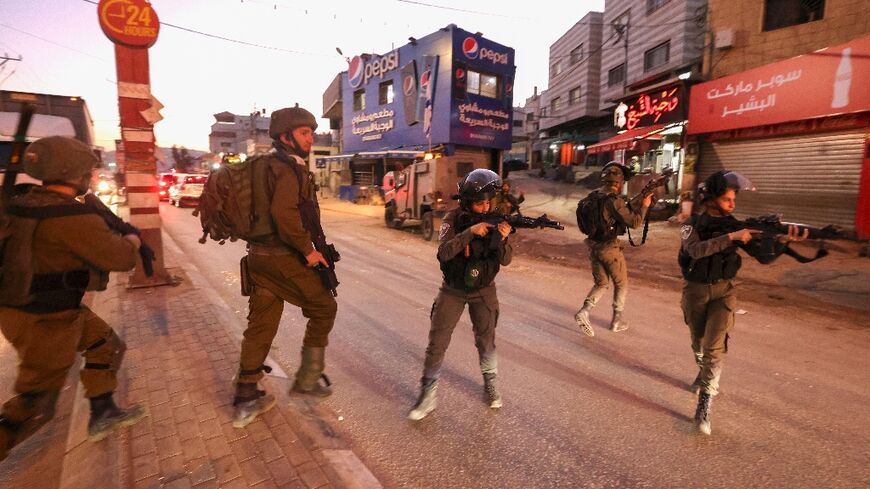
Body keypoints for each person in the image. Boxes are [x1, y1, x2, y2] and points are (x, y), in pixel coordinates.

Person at [0, 136, 147, 461]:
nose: (90, 178)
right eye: (88, 172)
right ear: (74, 172)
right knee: (35, 405)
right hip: (45, 319)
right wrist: (133, 240)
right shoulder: (72, 216)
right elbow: (120, 258)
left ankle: (103, 412)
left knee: (105, 345)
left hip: (35, 307)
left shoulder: (19, 200)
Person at [232, 106, 338, 428]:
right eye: (304, 133)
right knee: (323, 306)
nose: (311, 138)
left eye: (311, 132)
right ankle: (307, 379)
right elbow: (284, 214)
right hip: (281, 256)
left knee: (262, 324)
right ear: (284, 137)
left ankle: (245, 397)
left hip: (258, 258)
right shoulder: (287, 169)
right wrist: (308, 251)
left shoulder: (263, 167)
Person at [679, 170, 806, 435]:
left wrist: (784, 240)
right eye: (727, 199)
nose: (732, 204)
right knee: (698, 343)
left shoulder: (734, 224)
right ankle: (702, 372)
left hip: (725, 291)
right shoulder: (689, 223)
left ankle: (705, 404)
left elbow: (763, 257)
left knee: (715, 347)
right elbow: (694, 251)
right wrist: (732, 238)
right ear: (711, 200)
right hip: (696, 292)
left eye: (733, 199)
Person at [408, 169, 513, 421]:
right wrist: (469, 232)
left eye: (488, 201)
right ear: (467, 202)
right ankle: (428, 395)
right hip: (453, 290)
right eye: (480, 203)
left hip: (484, 291)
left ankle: (490, 385)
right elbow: (443, 253)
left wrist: (504, 238)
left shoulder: (496, 220)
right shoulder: (452, 219)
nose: (485, 206)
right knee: (437, 343)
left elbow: (506, 260)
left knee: (486, 341)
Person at [574, 161, 652, 336]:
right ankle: (616, 321)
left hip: (593, 246)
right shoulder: (614, 201)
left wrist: (638, 199)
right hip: (609, 248)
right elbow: (635, 222)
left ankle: (584, 311)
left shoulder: (592, 197)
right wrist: (645, 205)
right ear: (619, 183)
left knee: (601, 283)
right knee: (621, 283)